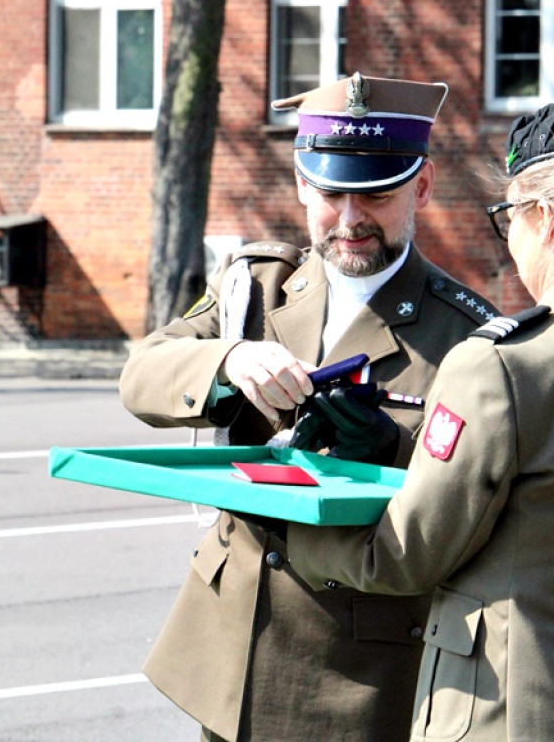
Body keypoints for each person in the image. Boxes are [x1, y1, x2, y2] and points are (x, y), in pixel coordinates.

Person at [119, 73, 499, 742]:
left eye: (376, 195)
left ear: (423, 186)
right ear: (300, 185)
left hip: (355, 665)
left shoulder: (466, 334)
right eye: (330, 194)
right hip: (232, 643)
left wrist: (389, 456)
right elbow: (143, 375)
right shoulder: (258, 285)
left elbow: (470, 515)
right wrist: (228, 362)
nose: (351, 220)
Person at [285, 103, 554, 741]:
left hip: (515, 706)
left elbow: (403, 558)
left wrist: (275, 516)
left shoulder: (502, 367)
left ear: (542, 219)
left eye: (508, 218)